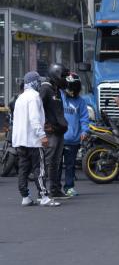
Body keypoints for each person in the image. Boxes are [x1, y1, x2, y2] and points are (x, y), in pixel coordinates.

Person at [13, 71, 58, 206]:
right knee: (39, 169)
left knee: (23, 169)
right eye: (38, 81)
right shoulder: (34, 97)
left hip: (20, 140)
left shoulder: (20, 98)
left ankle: (25, 197)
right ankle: (43, 196)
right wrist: (42, 135)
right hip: (32, 140)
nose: (40, 83)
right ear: (34, 82)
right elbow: (34, 119)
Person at [40, 63, 70, 199]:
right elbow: (38, 108)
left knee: (56, 163)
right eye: (63, 76)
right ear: (56, 75)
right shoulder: (45, 89)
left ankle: (55, 189)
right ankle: (45, 191)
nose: (65, 79)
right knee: (49, 163)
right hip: (51, 133)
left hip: (59, 131)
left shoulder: (56, 90)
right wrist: (45, 125)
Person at [60, 73, 89, 197]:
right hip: (59, 138)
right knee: (55, 166)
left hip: (73, 139)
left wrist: (84, 131)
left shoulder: (80, 102)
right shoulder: (59, 96)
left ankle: (69, 187)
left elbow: (84, 118)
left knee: (70, 166)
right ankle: (54, 187)